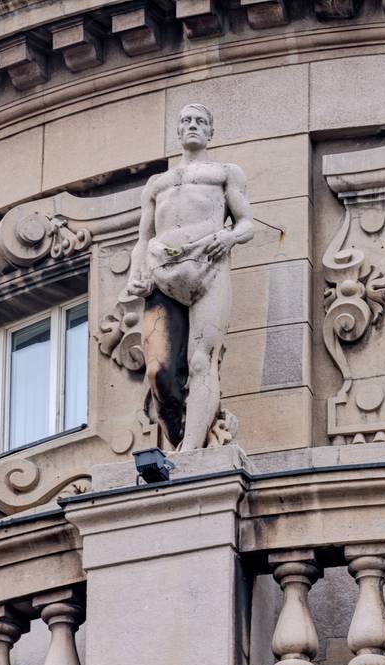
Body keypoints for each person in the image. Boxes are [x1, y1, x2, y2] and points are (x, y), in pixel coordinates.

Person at [123, 103, 254, 451]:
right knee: (158, 372)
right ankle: (180, 434)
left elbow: (246, 224)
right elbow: (142, 238)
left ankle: (191, 452)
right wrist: (136, 273)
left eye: (200, 121)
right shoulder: (157, 184)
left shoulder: (225, 173)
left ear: (210, 132)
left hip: (207, 267)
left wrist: (228, 237)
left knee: (201, 361)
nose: (192, 125)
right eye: (186, 121)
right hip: (161, 269)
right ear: (178, 132)